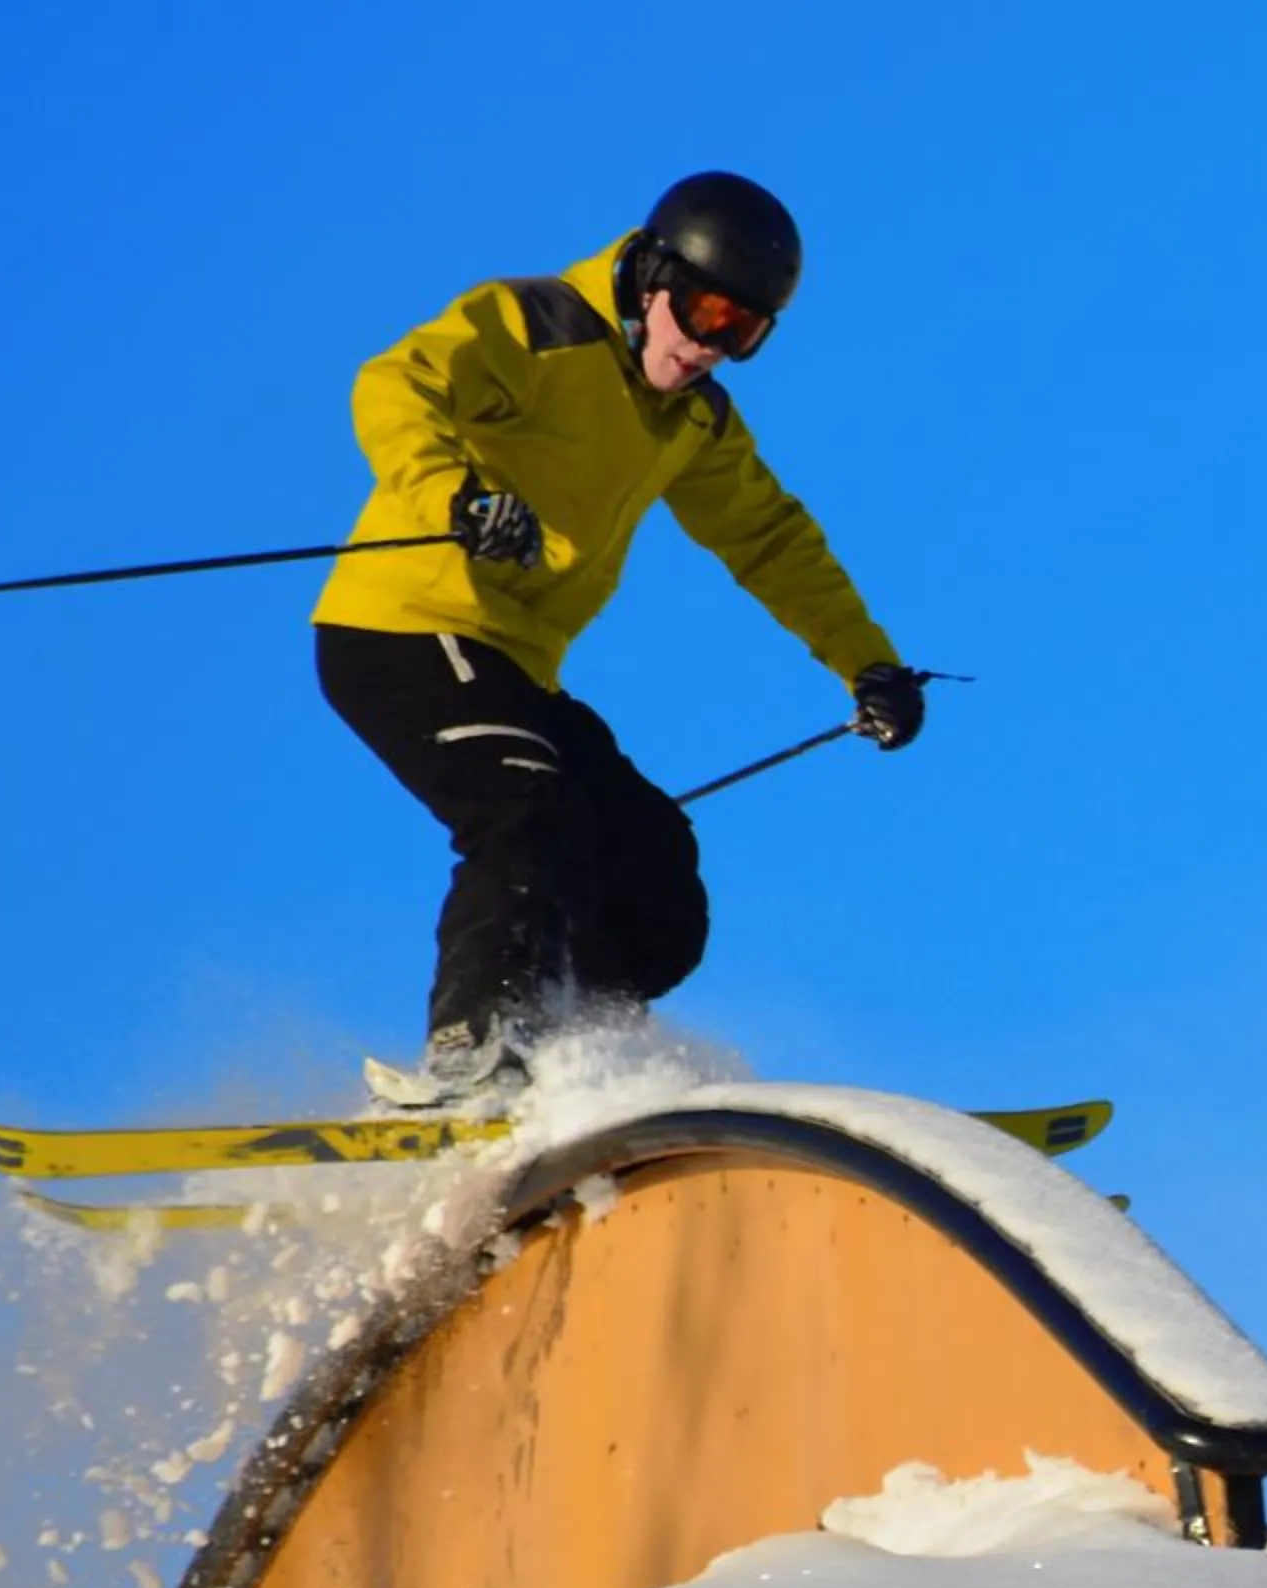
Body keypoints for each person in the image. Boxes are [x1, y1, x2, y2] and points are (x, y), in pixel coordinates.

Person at [312, 170, 928, 1107]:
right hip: (404, 629)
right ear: (649, 277)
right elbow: (397, 383)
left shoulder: (694, 421)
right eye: (705, 311)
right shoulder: (536, 325)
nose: (709, 348)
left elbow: (769, 540)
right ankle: (477, 1056)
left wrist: (866, 659)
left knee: (654, 876)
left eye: (744, 332)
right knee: (527, 811)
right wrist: (457, 498)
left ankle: (568, 1059)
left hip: (515, 666)